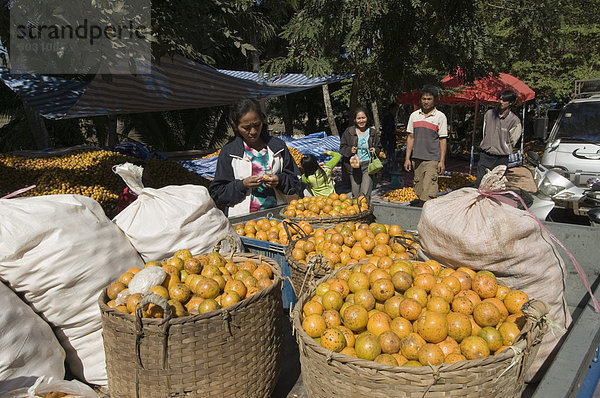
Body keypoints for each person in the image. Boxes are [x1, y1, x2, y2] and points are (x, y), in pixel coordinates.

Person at [209, 99, 301, 216]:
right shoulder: (229, 153)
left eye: (257, 125)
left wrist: (280, 180)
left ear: (262, 120)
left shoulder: (278, 147)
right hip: (243, 220)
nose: (253, 131)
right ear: (236, 126)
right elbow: (217, 192)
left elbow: (296, 181)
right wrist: (242, 185)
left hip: (279, 215)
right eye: (246, 128)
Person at [404, 85, 448, 206]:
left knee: (429, 191)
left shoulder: (440, 117)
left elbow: (442, 140)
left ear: (434, 100)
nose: (426, 102)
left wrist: (442, 161)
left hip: (432, 159)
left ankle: (426, 217)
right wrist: (407, 158)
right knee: (419, 190)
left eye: (429, 99)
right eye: (424, 99)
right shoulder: (414, 116)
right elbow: (410, 137)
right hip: (417, 158)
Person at [474, 89, 522, 187]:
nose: (501, 102)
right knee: (480, 183)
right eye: (500, 99)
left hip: (501, 157)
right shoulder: (489, 114)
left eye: (504, 100)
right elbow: (485, 132)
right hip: (485, 155)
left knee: (496, 186)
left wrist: (503, 145)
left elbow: (513, 139)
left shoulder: (514, 120)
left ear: (511, 103)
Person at [340, 107, 382, 200]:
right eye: (359, 118)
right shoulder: (349, 132)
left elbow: (379, 146)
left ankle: (365, 211)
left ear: (367, 118)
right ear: (355, 120)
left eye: (363, 118)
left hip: (368, 165)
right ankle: (358, 213)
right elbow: (342, 148)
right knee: (355, 193)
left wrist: (375, 150)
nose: (361, 120)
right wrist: (350, 150)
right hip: (353, 166)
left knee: (365, 193)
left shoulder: (372, 132)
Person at [381, 102, 400, 174]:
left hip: (390, 141)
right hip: (388, 141)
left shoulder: (391, 117)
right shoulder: (388, 118)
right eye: (395, 110)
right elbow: (389, 130)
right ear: (391, 109)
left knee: (390, 157)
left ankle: (388, 172)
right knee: (388, 158)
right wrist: (399, 133)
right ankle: (387, 173)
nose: (396, 112)